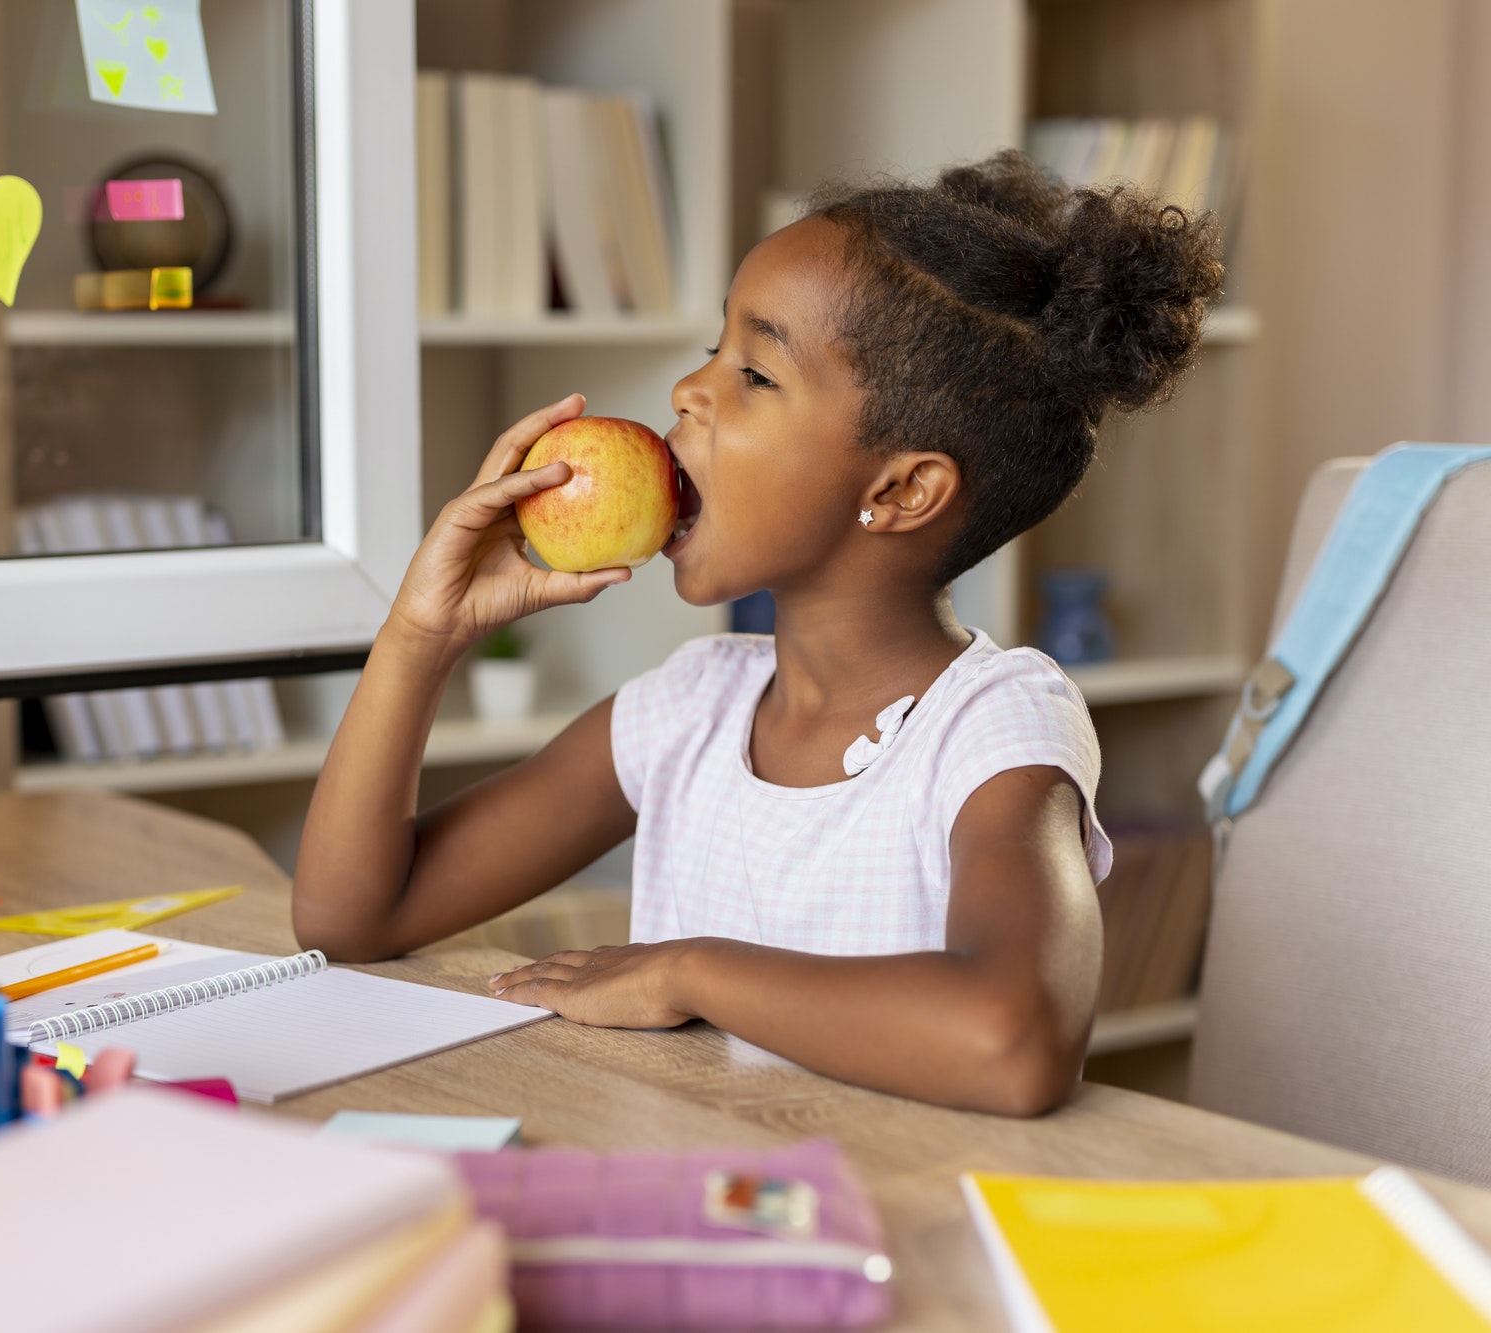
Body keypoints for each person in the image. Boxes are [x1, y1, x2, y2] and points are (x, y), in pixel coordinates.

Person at [291, 151, 1224, 1116]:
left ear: (901, 490)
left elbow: (1013, 1038)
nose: (689, 392)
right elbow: (351, 917)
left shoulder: (992, 729)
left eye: (754, 372)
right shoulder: (691, 709)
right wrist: (421, 631)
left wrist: (685, 971)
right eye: (711, 348)